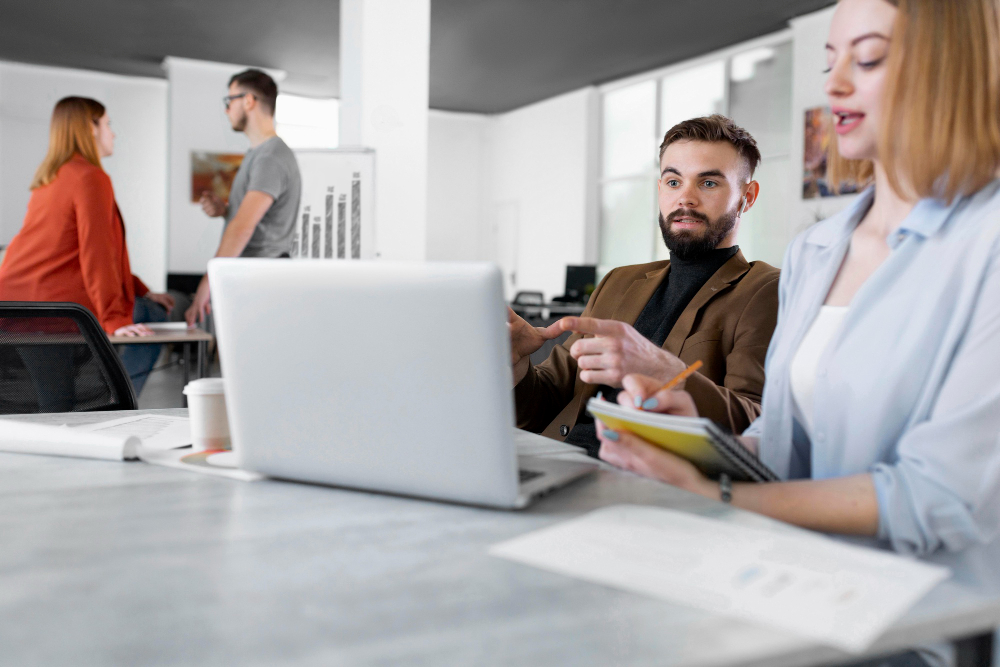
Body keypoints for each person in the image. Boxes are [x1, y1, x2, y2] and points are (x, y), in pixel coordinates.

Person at [596, 0, 1000, 663]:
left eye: (867, 58)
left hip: (917, 624)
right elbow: (783, 439)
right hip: (789, 579)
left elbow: (940, 499)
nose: (834, 84)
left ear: (949, 68)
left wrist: (718, 493)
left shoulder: (985, 243)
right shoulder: (818, 249)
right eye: (828, 60)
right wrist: (698, 441)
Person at [510, 115, 780, 456]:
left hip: (648, 478)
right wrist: (517, 365)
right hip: (563, 461)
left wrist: (668, 373)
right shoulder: (619, 281)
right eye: (673, 182)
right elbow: (547, 402)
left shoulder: (765, 290)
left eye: (708, 183)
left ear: (747, 197)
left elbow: (757, 424)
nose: (686, 198)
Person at [0, 96, 174, 398]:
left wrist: (139, 289)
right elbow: (98, 254)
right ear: (90, 128)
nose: (113, 133)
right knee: (155, 315)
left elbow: (78, 252)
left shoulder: (50, 178)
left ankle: (101, 401)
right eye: (108, 124)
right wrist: (114, 318)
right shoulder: (90, 177)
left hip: (18, 303)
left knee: (56, 405)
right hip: (55, 306)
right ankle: (118, 399)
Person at [185, 69, 302, 325]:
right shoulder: (258, 154)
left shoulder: (270, 157)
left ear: (248, 101)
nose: (227, 109)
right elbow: (254, 217)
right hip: (255, 276)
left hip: (262, 278)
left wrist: (209, 281)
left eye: (230, 101)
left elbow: (243, 227)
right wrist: (225, 210)